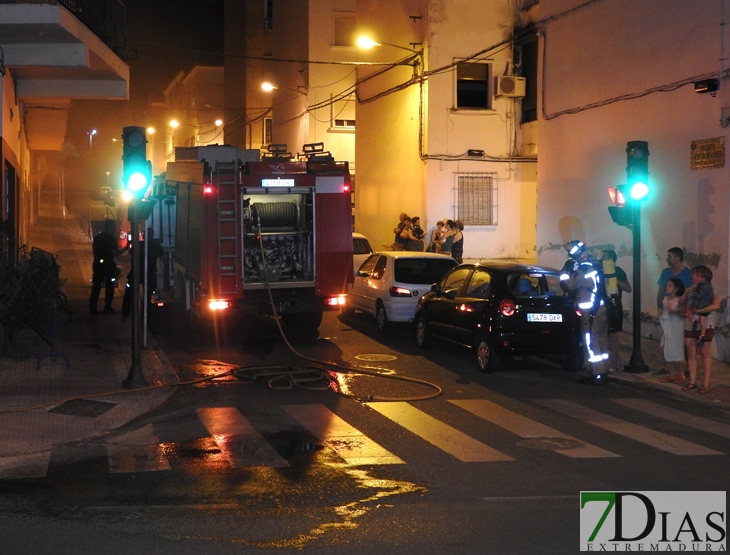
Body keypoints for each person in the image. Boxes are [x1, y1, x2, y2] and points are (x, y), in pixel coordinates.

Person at [560, 240, 610, 385]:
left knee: (591, 342)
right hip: (601, 309)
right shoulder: (596, 265)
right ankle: (604, 371)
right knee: (601, 341)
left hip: (591, 312)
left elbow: (568, 286)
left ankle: (596, 374)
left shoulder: (583, 270)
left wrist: (564, 272)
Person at [679, 265, 720, 394]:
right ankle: (692, 381)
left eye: (694, 274)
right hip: (690, 323)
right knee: (691, 353)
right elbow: (680, 303)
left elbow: (716, 305)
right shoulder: (690, 289)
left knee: (704, 353)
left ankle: (706, 383)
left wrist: (699, 311)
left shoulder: (711, 289)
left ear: (700, 276)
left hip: (706, 322)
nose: (691, 276)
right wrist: (686, 292)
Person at [654, 247, 693, 377]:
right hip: (667, 314)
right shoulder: (665, 273)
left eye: (670, 256)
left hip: (681, 313)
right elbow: (660, 291)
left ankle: (687, 368)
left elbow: (690, 294)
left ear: (677, 258)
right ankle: (668, 368)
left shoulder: (687, 274)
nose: (667, 259)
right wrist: (659, 306)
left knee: (684, 343)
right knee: (666, 342)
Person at [89, 219, 126, 315]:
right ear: (111, 227)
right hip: (109, 265)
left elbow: (94, 250)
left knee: (96, 286)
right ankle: (107, 306)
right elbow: (114, 253)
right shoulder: (111, 239)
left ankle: (92, 307)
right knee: (110, 286)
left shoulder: (97, 237)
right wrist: (125, 249)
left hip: (97, 264)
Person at [601, 249, 631, 370]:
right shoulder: (600, 270)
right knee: (604, 335)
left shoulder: (618, 271)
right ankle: (617, 360)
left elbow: (628, 288)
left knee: (613, 336)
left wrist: (614, 279)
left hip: (614, 307)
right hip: (602, 306)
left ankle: (613, 364)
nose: (602, 259)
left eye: (605, 257)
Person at [121, 235, 164, 319]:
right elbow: (162, 258)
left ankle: (125, 312)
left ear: (143, 236)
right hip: (149, 273)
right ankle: (147, 316)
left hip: (136, 272)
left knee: (129, 293)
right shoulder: (156, 245)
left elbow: (130, 253)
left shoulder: (139, 244)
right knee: (148, 296)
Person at [658, 277, 686, 384]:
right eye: (667, 285)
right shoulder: (665, 299)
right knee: (664, 350)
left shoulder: (679, 301)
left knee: (674, 351)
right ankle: (672, 373)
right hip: (667, 328)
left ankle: (679, 373)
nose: (667, 288)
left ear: (676, 289)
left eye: (670, 286)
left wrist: (675, 312)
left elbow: (685, 313)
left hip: (676, 328)